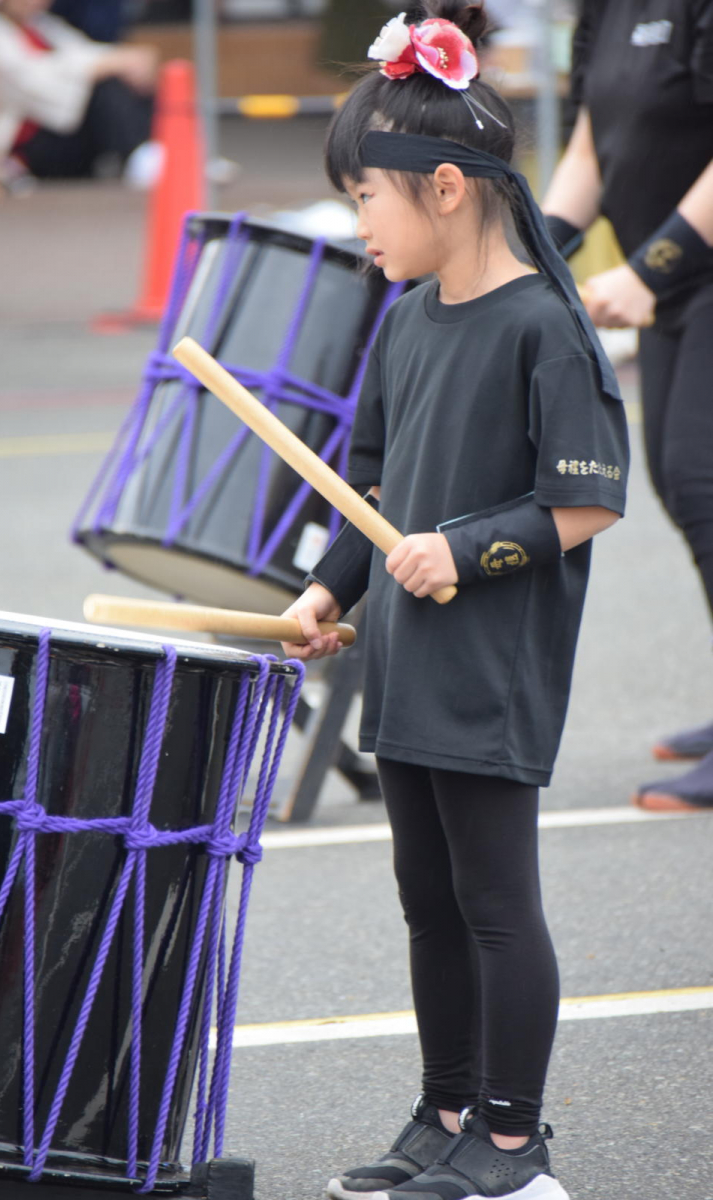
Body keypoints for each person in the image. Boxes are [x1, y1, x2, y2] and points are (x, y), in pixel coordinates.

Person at [280, 4, 628, 1199]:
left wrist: (458, 551)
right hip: (408, 658)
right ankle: (444, 1112)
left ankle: (515, 1139)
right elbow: (363, 481)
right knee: (424, 897)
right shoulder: (405, 322)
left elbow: (583, 503)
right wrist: (326, 587)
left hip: (492, 659)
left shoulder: (542, 325)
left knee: (490, 900)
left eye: (363, 198)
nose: (355, 225)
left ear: (441, 187)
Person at [541, 0, 713, 811]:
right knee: (684, 490)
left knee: (702, 480)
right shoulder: (605, 9)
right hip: (679, 286)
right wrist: (527, 252)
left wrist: (649, 268)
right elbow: (591, 141)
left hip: (694, 271)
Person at [0, 0, 158, 184]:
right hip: (26, 147)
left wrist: (129, 60)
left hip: (63, 133)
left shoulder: (44, 25)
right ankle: (141, 157)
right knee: (104, 87)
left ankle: (151, 150)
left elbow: (85, 51)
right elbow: (36, 81)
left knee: (125, 81)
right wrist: (112, 63)